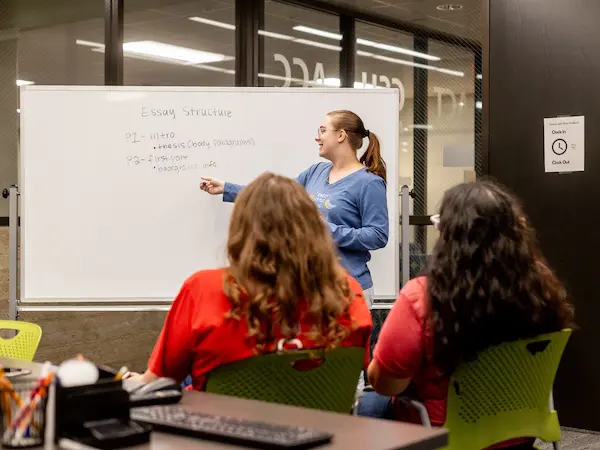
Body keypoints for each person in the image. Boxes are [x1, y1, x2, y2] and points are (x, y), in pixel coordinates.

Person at [358, 180, 574, 449]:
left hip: (445, 436)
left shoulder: (421, 296)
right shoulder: (540, 284)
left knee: (369, 402)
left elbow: (386, 384)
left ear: (449, 235)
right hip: (518, 435)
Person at [130, 173, 372, 389]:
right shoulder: (348, 292)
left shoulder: (203, 289)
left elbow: (159, 380)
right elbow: (354, 374)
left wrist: (131, 382)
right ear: (314, 227)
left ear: (242, 229)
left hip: (222, 434)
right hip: (323, 433)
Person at [200, 110, 388, 308]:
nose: (318, 137)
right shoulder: (316, 172)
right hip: (309, 286)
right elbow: (278, 196)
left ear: (341, 135)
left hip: (348, 288)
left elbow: (377, 235)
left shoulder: (369, 183)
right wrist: (227, 188)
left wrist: (324, 229)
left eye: (323, 130)